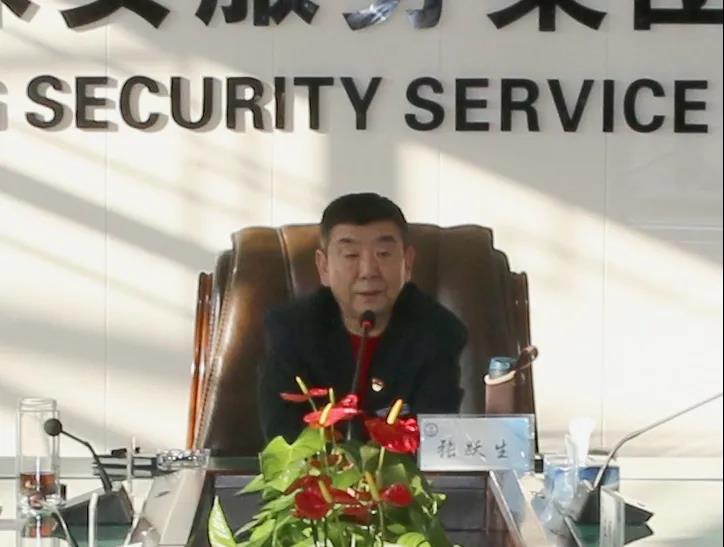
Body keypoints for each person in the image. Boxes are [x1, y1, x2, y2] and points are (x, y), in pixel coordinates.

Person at [258, 193, 468, 442]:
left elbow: (433, 441)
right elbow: (284, 439)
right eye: (351, 255)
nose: (368, 271)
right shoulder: (291, 331)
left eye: (383, 254)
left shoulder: (439, 332)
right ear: (324, 267)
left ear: (408, 263)